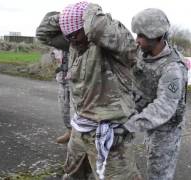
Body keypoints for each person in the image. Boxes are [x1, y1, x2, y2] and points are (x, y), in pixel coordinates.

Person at [56, 2, 141, 179]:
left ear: (86, 26)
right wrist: (66, 16)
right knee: (73, 173)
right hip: (81, 129)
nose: (72, 41)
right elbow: (43, 31)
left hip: (111, 134)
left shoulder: (115, 45)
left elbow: (96, 29)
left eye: (74, 35)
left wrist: (90, 10)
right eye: (68, 37)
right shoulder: (76, 46)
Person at [124, 8, 188, 180]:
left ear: (157, 37)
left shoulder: (173, 68)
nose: (137, 41)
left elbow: (165, 107)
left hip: (166, 126)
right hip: (145, 115)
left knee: (159, 171)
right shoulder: (141, 53)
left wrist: (129, 124)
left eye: (141, 36)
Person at [53, 48, 72, 144]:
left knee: (79, 112)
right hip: (62, 79)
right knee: (64, 109)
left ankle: (78, 138)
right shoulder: (59, 38)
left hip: (75, 82)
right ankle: (70, 131)